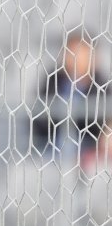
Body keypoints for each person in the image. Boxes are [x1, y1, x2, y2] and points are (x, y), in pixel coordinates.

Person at [28, 33, 109, 163]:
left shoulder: (103, 86)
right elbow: (38, 118)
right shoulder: (51, 81)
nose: (75, 58)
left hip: (89, 150)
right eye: (72, 53)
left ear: (93, 58)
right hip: (51, 148)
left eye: (82, 54)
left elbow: (104, 124)